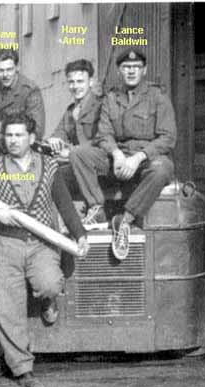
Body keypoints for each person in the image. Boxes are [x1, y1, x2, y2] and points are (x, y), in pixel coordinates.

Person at [0, 114, 89, 387]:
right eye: (9, 135)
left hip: (42, 243)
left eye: (19, 135)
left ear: (32, 138)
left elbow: (64, 202)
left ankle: (46, 301)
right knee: (9, 309)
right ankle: (23, 369)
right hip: (5, 244)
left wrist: (80, 233)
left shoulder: (49, 166)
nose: (13, 140)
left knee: (49, 284)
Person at [69, 48, 176, 260]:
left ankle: (125, 220)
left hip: (147, 159)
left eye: (136, 67)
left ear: (144, 70)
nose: (131, 71)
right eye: (126, 67)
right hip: (118, 157)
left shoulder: (158, 97)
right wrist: (117, 154)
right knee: (79, 154)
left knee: (163, 169)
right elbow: (104, 134)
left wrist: (138, 158)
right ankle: (96, 209)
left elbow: (168, 138)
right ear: (120, 70)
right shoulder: (111, 98)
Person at [46, 59, 103, 161]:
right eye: (71, 82)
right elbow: (60, 132)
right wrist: (54, 140)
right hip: (76, 161)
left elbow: (101, 140)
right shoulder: (70, 110)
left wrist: (71, 151)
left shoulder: (101, 106)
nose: (75, 86)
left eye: (80, 81)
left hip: (96, 162)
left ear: (90, 82)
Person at [0, 49, 46, 145]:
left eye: (9, 70)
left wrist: (3, 137)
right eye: (0, 71)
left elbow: (37, 131)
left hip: (21, 144)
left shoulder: (30, 90)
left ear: (17, 68)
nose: (5, 75)